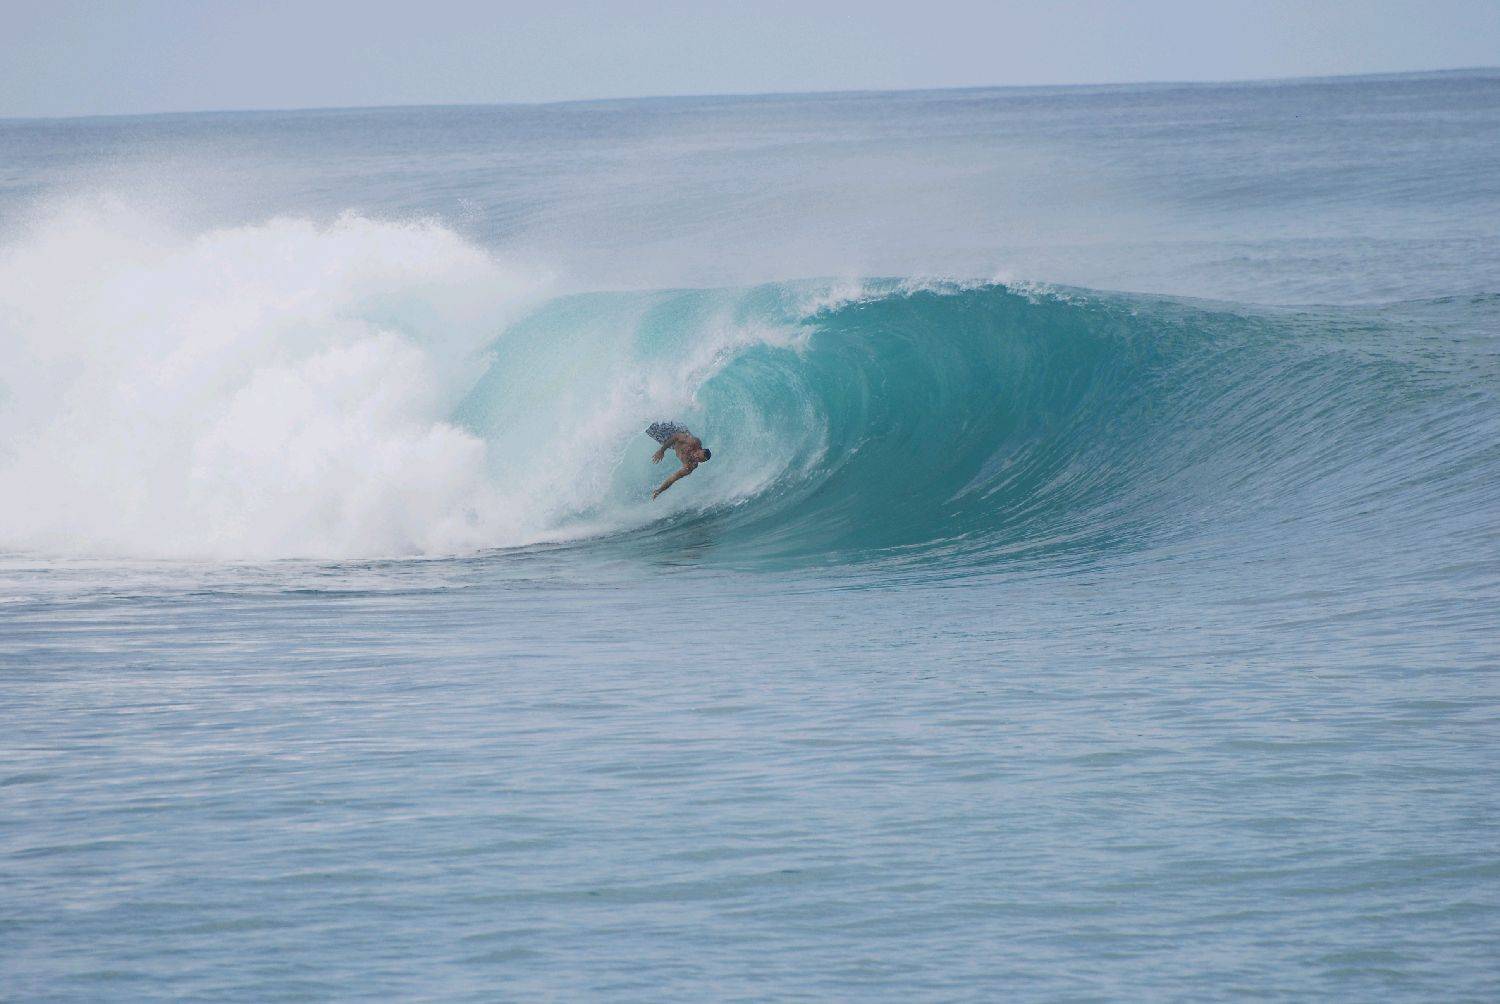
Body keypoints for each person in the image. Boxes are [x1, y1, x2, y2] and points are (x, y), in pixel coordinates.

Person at [645, 421, 711, 500]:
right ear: (699, 449)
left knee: (648, 430)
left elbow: (674, 478)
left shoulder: (689, 466)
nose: (696, 457)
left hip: (672, 444)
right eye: (698, 455)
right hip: (676, 430)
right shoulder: (693, 442)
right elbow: (676, 436)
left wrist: (660, 490)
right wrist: (662, 450)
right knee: (654, 424)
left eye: (699, 459)